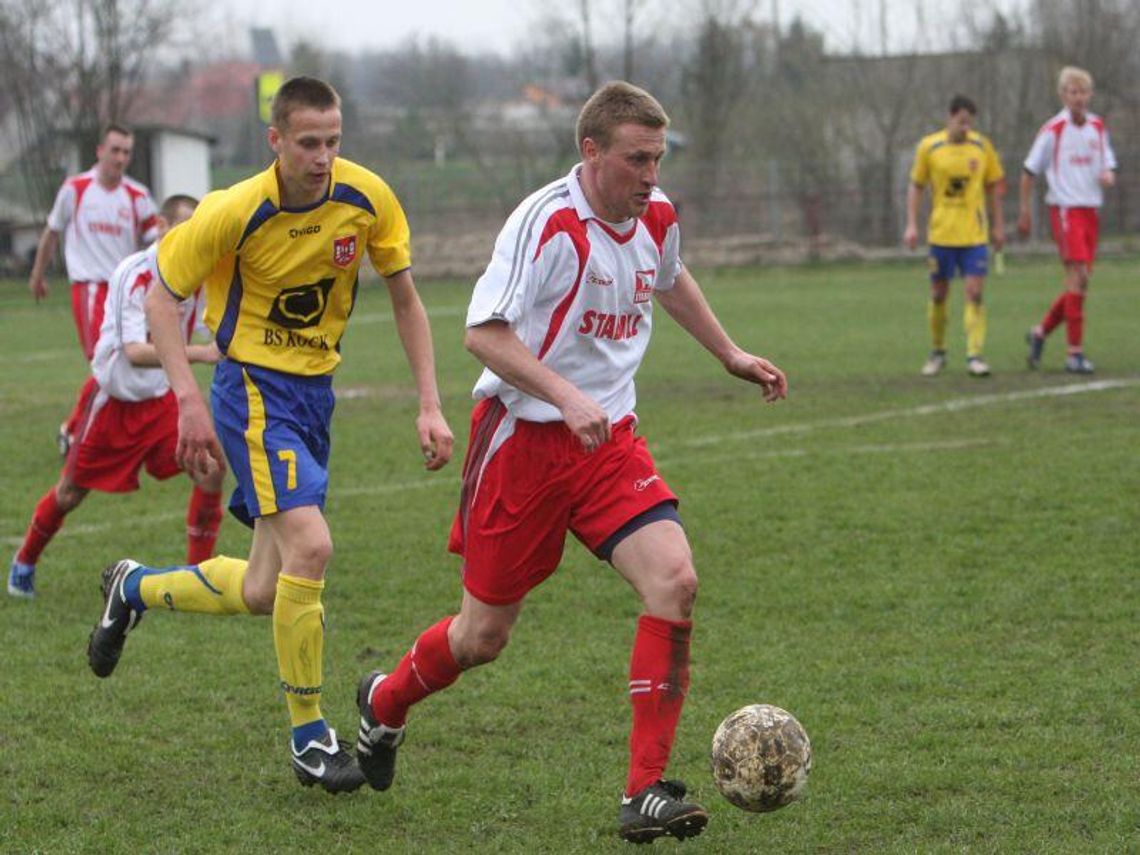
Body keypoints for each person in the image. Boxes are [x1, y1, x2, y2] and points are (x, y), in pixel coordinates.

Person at [353, 81, 788, 844]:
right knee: (481, 637)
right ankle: (384, 703)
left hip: (609, 442)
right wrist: (564, 395)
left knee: (675, 580)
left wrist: (729, 352)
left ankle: (644, 789)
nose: (651, 174)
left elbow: (669, 276)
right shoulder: (548, 223)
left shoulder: (657, 214)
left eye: (658, 158)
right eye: (636, 159)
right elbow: (482, 333)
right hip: (521, 445)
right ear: (591, 152)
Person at [84, 77, 455, 794]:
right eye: (308, 143)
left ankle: (133, 587)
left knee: (262, 588)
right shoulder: (234, 210)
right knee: (311, 547)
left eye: (333, 141)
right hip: (251, 388)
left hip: (314, 396)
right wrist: (187, 401)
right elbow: (161, 300)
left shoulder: (367, 198)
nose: (323, 157)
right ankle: (310, 736)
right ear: (276, 140)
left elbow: (406, 300)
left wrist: (430, 404)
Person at [8, 196, 223, 599]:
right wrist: (202, 353)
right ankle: (24, 561)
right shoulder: (135, 272)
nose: (192, 235)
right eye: (185, 225)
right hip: (114, 401)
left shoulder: (197, 271)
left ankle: (196, 576)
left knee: (210, 468)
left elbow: (216, 319)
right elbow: (135, 352)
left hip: (161, 400)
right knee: (71, 492)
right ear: (161, 225)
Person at [28, 124, 159, 455]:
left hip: (126, 291)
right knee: (108, 361)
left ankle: (89, 430)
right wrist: (38, 274)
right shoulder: (76, 189)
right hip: (90, 289)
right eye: (115, 150)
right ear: (100, 151)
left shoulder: (138, 196)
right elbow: (52, 231)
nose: (120, 158)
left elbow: (158, 244)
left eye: (126, 152)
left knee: (123, 361)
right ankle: (76, 430)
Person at [1019, 66, 1117, 374]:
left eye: (1083, 92)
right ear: (1063, 95)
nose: (1079, 97)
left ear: (1090, 94)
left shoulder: (1098, 127)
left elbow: (1108, 165)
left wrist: (1107, 175)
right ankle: (1074, 354)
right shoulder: (1054, 130)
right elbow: (1028, 172)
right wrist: (1025, 212)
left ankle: (1040, 332)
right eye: (1073, 92)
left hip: (1090, 212)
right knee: (1077, 278)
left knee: (1080, 285)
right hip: (1065, 210)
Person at [904, 95, 1006, 377]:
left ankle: (975, 355)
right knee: (939, 294)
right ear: (949, 117)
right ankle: (938, 352)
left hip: (974, 236)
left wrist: (998, 226)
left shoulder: (982, 146)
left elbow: (994, 187)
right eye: (961, 121)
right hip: (941, 235)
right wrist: (911, 224)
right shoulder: (929, 147)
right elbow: (916, 186)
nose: (966, 127)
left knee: (974, 292)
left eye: (970, 122)